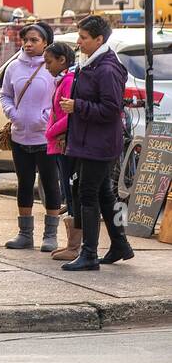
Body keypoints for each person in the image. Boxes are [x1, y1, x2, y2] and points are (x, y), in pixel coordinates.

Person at [59, 15, 135, 271]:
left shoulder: (106, 68)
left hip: (99, 143)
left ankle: (89, 253)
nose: (78, 42)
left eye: (83, 37)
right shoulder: (90, 63)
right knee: (104, 193)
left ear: (99, 40)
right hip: (89, 140)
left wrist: (77, 106)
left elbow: (112, 108)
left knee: (87, 194)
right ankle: (120, 244)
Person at [0, 22, 62, 252]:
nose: (28, 44)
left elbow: (59, 99)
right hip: (19, 137)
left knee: (50, 184)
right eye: (25, 40)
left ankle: (51, 235)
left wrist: (45, 118)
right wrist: (13, 114)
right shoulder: (13, 67)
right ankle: (25, 234)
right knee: (24, 184)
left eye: (34, 40)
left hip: (46, 138)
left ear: (45, 43)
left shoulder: (51, 67)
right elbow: (5, 95)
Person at [44, 41, 81, 261]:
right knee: (69, 192)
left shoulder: (67, 81)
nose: (47, 67)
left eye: (49, 62)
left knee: (71, 191)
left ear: (62, 60)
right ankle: (72, 244)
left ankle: (74, 246)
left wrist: (49, 132)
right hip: (59, 143)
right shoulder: (63, 80)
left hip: (63, 143)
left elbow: (67, 116)